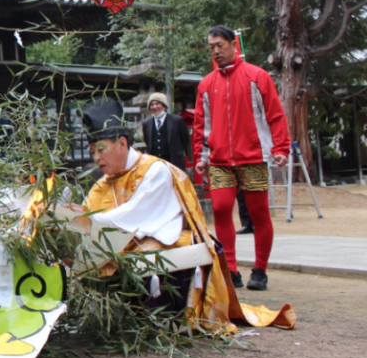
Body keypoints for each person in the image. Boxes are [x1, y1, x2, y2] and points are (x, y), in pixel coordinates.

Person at [76, 98, 295, 331]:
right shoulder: (102, 183)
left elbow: (133, 216)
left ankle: (158, 320)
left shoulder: (155, 170)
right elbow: (89, 215)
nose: (96, 158)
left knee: (148, 253)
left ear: (122, 143)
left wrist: (84, 219)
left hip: (166, 235)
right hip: (131, 237)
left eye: (100, 149)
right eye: (92, 152)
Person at [193, 26, 290, 291]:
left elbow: (275, 114)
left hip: (253, 158)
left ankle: (260, 270)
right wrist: (201, 156)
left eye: (220, 45)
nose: (215, 51)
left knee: (259, 214)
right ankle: (231, 269)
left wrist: (280, 148)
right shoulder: (205, 84)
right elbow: (203, 125)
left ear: (233, 45)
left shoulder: (257, 76)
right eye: (211, 46)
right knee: (222, 209)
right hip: (220, 160)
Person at [141, 92, 190, 170]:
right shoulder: (147, 124)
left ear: (163, 106)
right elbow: (147, 142)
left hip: (174, 164)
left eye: (157, 104)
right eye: (152, 104)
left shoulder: (176, 121)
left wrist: (177, 152)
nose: (154, 107)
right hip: (155, 165)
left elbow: (185, 140)